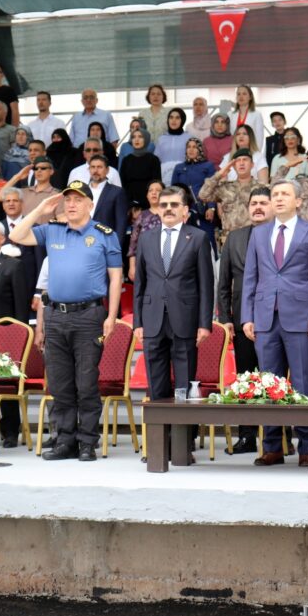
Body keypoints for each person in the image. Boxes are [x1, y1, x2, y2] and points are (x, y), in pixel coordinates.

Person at [9, 181, 123, 462]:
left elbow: (116, 277)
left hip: (89, 316)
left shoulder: (104, 234)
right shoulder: (53, 230)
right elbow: (16, 236)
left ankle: (87, 441)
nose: (71, 205)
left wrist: (111, 317)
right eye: (67, 200)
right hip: (55, 316)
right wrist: (39, 210)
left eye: (77, 200)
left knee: (86, 382)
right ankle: (65, 440)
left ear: (89, 205)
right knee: (59, 384)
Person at [243, 179, 308, 467]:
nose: (278, 199)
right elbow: (250, 278)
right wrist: (247, 316)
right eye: (275, 194)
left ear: (299, 201)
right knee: (269, 384)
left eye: (285, 195)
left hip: (302, 320)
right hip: (266, 318)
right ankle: (273, 447)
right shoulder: (258, 233)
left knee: (303, 382)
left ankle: (307, 447)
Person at [133, 186, 214, 439]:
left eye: (174, 205)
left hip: (185, 320)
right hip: (152, 319)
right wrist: (138, 322)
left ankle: (183, 440)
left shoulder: (198, 237)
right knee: (156, 383)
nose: (168, 209)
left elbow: (205, 284)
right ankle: (159, 441)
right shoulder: (146, 239)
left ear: (185, 210)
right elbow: (140, 284)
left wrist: (205, 323)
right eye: (164, 204)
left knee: (184, 384)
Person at [217, 187, 273, 454]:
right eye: (254, 203)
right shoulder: (235, 238)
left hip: (276, 319)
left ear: (273, 206)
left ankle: (278, 438)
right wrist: (225, 317)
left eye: (263, 202)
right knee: (247, 379)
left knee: (274, 379)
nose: (258, 207)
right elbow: (223, 282)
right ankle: (248, 437)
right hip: (243, 320)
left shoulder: (281, 235)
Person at [0, 219, 29, 448]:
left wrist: (19, 337)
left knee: (5, 383)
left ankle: (10, 431)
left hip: (6, 336)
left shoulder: (13, 265)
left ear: (2, 238)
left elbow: (21, 305)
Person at [199, 148, 260, 248]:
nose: (241, 163)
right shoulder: (225, 188)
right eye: (238, 161)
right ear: (234, 166)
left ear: (252, 165)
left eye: (245, 160)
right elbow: (203, 195)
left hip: (254, 240)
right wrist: (219, 175)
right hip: (230, 241)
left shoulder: (261, 188)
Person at [128, 181, 165, 282]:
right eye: (151, 191)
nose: (154, 193)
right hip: (145, 264)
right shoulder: (142, 216)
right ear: (147, 195)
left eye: (158, 190)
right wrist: (132, 267)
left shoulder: (169, 215)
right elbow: (133, 245)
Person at [85, 155, 130, 236]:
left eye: (99, 167)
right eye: (93, 167)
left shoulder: (117, 192)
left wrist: (116, 247)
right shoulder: (81, 191)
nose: (95, 170)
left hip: (106, 242)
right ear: (89, 169)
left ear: (107, 170)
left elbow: (121, 223)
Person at [119, 129, 162, 209]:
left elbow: (157, 182)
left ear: (146, 139)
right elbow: (123, 182)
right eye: (134, 137)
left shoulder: (153, 159)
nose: (136, 139)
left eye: (140, 137)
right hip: (130, 201)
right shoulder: (126, 160)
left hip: (148, 201)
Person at [155, 108, 192, 184]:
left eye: (177, 118)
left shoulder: (189, 138)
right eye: (171, 117)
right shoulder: (161, 139)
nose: (173, 120)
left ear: (182, 120)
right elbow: (156, 160)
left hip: (184, 175)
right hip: (164, 176)